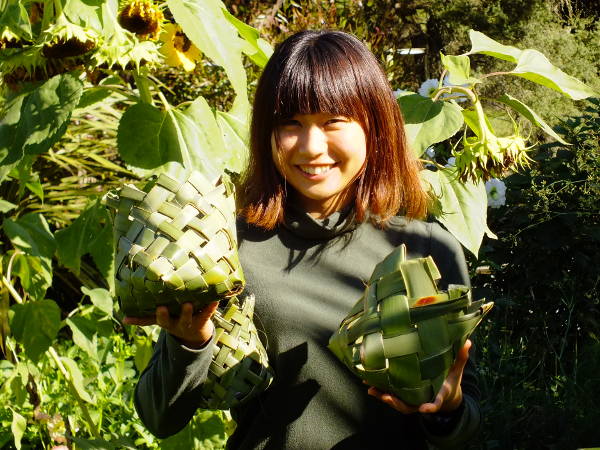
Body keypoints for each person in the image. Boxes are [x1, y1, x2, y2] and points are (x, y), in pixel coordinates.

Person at [127, 30, 481, 449]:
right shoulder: (227, 247)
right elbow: (159, 418)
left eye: (334, 121)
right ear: (267, 132)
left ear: (374, 125)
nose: (312, 147)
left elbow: (465, 423)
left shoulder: (431, 248)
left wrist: (446, 408)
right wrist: (189, 342)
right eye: (290, 123)